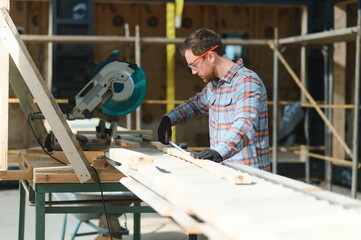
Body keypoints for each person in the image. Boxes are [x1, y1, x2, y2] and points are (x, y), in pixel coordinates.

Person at [157, 28, 270, 171]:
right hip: (224, 172)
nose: (193, 72)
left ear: (210, 56)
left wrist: (219, 152)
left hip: (249, 176)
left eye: (194, 65)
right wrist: (169, 119)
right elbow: (195, 105)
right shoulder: (214, 86)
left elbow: (245, 123)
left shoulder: (247, 82)